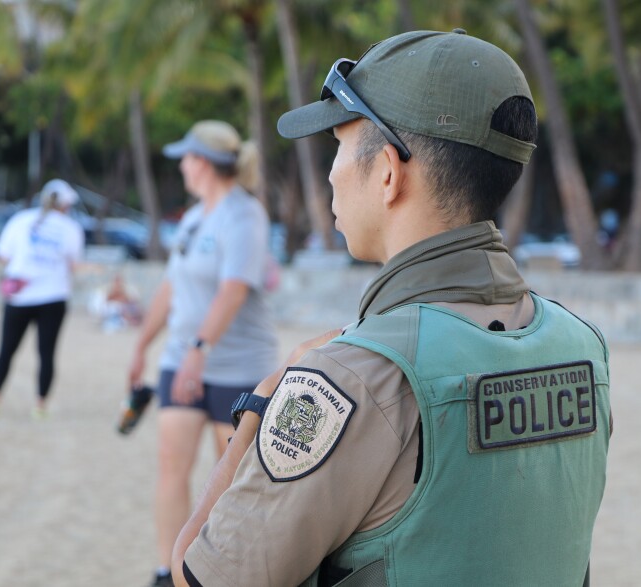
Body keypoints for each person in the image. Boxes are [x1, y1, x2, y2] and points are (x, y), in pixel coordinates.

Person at [171, 29, 612, 587]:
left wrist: (266, 400)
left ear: (387, 172)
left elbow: (202, 575)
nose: (331, 172)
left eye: (338, 146)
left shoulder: (354, 376)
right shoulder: (581, 346)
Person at [128, 120, 279, 587]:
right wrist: (141, 347)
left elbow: (233, 290)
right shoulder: (193, 218)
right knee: (171, 465)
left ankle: (214, 572)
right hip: (181, 357)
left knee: (231, 478)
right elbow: (171, 287)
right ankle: (165, 571)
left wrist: (200, 350)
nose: (181, 166)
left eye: (186, 158)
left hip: (238, 367)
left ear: (205, 163)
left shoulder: (244, 215)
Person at [0, 179, 85, 420]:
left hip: (19, 296)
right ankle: (40, 406)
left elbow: (3, 255)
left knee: (6, 350)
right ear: (65, 205)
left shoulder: (21, 219)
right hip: (54, 297)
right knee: (47, 353)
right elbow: (73, 264)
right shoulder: (70, 228)